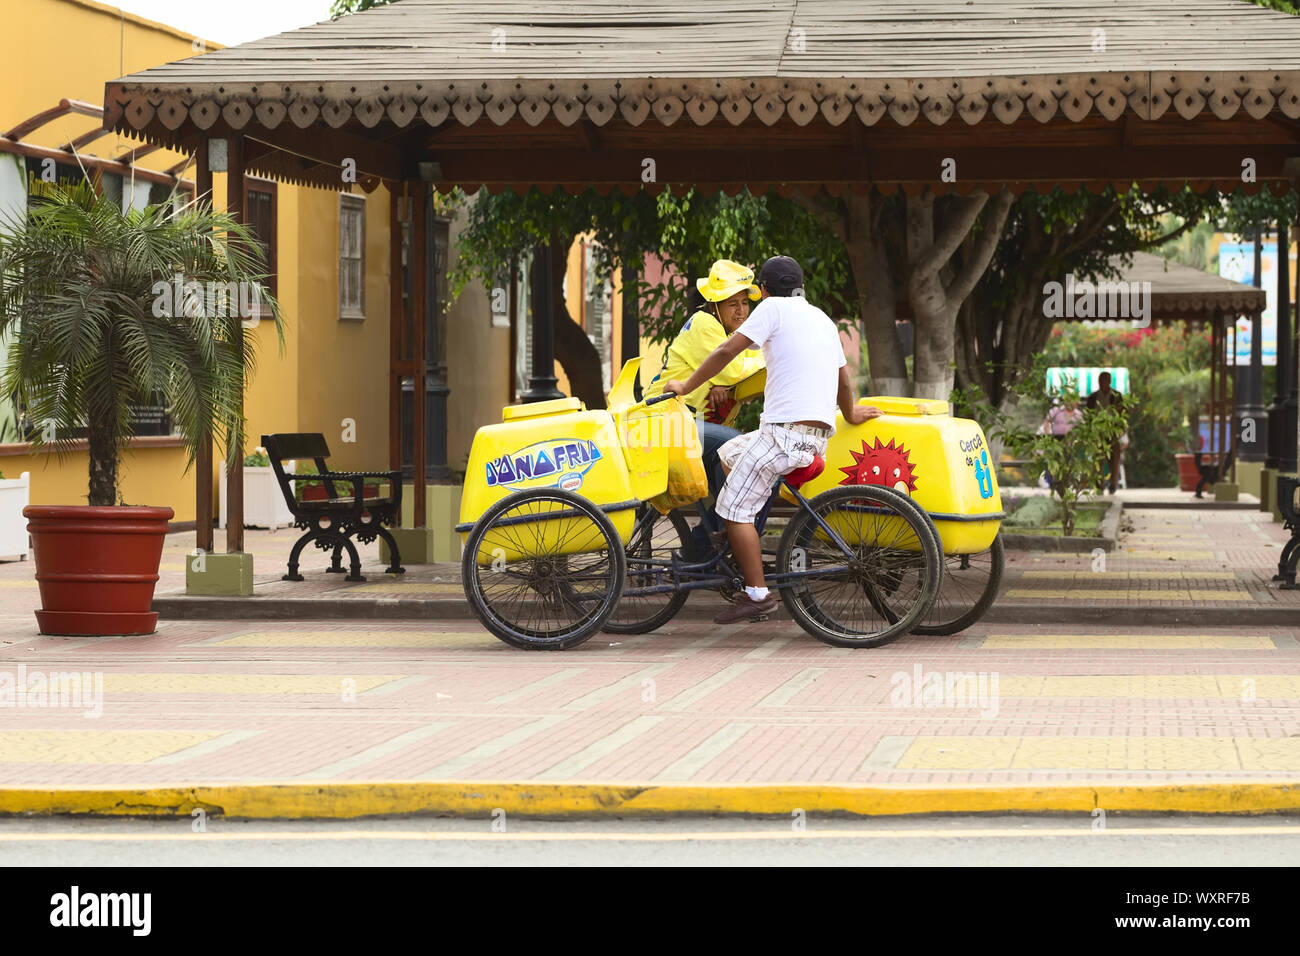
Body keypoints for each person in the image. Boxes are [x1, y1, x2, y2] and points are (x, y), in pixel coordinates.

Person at [663, 255, 881, 624]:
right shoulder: (822, 319)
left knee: (732, 510)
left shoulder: (772, 310)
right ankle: (732, 538)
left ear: (763, 290)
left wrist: (686, 385)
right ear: (802, 288)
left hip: (783, 435)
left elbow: (726, 351)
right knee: (730, 451)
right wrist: (851, 413)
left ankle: (757, 593)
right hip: (813, 436)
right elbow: (844, 380)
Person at [644, 260, 765, 556]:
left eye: (744, 303)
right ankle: (721, 538)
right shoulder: (705, 325)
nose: (741, 310)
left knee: (727, 466)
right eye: (731, 304)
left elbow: (728, 371)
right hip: (664, 420)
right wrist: (773, 360)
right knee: (737, 446)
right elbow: (734, 369)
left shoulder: (721, 331)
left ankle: (703, 548)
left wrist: (721, 382)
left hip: (681, 419)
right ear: (714, 305)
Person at [1086, 371, 1124, 494]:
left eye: (1105, 380)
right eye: (1101, 380)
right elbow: (1088, 416)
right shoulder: (1092, 398)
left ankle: (1113, 484)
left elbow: (1123, 414)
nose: (1103, 383)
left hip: (1112, 431)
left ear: (1109, 382)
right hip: (1097, 432)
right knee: (1098, 459)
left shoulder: (1117, 396)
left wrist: (1121, 429)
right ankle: (1099, 484)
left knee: (1114, 458)